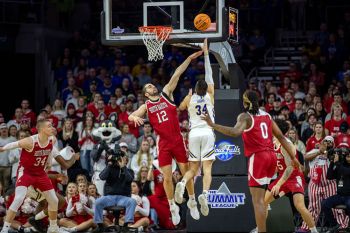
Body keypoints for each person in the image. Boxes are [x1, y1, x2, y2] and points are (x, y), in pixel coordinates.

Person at [202, 90, 301, 233]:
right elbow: (280, 136)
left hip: (259, 158)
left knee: (258, 201)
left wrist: (213, 125)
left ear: (244, 102)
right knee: (261, 199)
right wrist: (293, 157)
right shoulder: (266, 115)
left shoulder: (245, 117)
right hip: (272, 157)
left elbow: (235, 132)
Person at [128, 50, 203, 225]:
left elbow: (177, 74)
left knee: (186, 173)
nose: (152, 87)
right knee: (167, 178)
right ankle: (172, 207)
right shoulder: (146, 105)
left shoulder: (166, 93)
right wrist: (135, 117)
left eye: (152, 85)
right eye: (148, 87)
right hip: (164, 144)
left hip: (177, 140)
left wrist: (189, 58)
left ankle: (192, 201)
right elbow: (131, 116)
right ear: (146, 94)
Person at [0, 119, 79, 233]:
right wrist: (2, 148)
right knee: (18, 198)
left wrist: (49, 163)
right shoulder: (30, 141)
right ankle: (5, 229)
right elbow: (13, 144)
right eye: (49, 126)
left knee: (54, 200)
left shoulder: (52, 139)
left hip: (40, 174)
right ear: (41, 129)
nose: (52, 128)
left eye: (52, 126)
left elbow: (50, 150)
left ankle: (52, 228)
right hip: (26, 173)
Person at [176, 39, 215, 217]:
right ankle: (204, 195)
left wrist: (187, 96)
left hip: (193, 134)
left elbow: (180, 108)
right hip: (207, 132)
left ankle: (183, 183)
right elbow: (209, 74)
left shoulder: (190, 98)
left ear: (194, 88)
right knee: (207, 169)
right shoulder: (210, 95)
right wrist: (206, 53)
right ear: (206, 88)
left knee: (193, 169)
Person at [265, 119, 317, 233]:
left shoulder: (286, 144)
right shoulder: (272, 142)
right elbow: (277, 165)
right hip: (282, 177)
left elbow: (290, 168)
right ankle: (261, 229)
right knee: (263, 203)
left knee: (299, 206)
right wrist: (267, 175)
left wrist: (278, 185)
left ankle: (314, 231)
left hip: (294, 176)